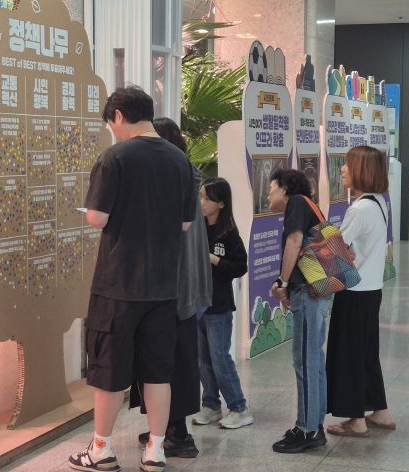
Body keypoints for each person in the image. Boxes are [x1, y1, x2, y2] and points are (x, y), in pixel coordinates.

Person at [68, 87, 196, 472]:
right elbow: (186, 223)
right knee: (158, 372)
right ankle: (156, 450)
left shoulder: (115, 157)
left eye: (112, 124)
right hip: (163, 286)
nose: (113, 131)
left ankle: (101, 450)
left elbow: (98, 218)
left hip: (118, 285)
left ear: (119, 116)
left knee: (108, 372)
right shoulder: (180, 160)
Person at [130, 117, 213, 458]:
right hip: (186, 288)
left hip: (170, 289)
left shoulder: (173, 182)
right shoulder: (187, 176)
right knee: (175, 360)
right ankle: (165, 429)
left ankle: (175, 432)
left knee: (167, 363)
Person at [325, 145, 396, 437]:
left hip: (353, 292)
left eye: (347, 164)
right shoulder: (378, 202)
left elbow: (334, 249)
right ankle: (380, 411)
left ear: (361, 171)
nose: (342, 169)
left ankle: (356, 419)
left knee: (349, 354)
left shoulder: (359, 208)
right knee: (366, 352)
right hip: (371, 288)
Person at [267, 168, 330, 453]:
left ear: (285, 188)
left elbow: (294, 242)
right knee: (313, 360)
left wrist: (282, 282)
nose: (268, 195)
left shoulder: (296, 203)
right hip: (315, 291)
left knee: (305, 361)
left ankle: (306, 430)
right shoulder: (308, 204)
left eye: (271, 189)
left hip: (306, 291)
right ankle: (314, 424)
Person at [192, 177, 253, 429]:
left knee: (220, 358)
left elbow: (240, 267)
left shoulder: (229, 233)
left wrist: (214, 260)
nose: (201, 202)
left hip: (219, 305)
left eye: (206, 198)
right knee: (202, 359)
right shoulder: (196, 228)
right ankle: (211, 405)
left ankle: (239, 407)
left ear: (221, 203)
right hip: (197, 303)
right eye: (200, 196)